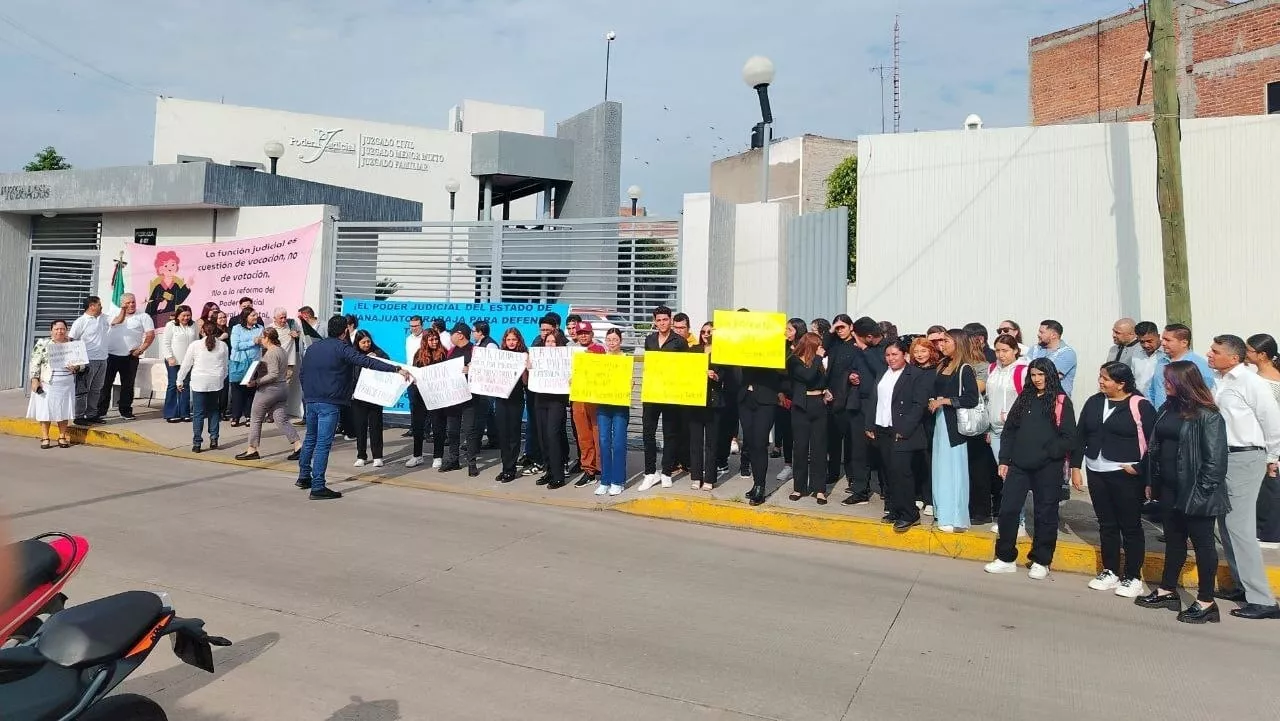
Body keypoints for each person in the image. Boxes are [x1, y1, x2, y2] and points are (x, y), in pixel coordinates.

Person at [1134, 361, 1230, 623]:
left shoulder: (1208, 415)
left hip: (1197, 492)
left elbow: (1216, 462)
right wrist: (1151, 480)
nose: (1164, 385)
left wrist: (1201, 493)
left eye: (1169, 381)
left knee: (1203, 546)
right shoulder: (1167, 409)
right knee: (1174, 541)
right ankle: (1167, 589)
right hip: (1169, 488)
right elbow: (1156, 447)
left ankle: (1206, 601)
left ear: (1184, 383)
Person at [296, 315, 412, 500]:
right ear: (345, 331)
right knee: (323, 444)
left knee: (310, 438)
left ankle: (303, 476)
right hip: (330, 402)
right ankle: (317, 486)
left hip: (312, 400)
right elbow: (366, 361)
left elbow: (302, 374)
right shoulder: (341, 348)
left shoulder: (313, 348)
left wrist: (309, 393)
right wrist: (395, 369)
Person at [1205, 334, 1280, 619]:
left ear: (1234, 358)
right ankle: (1242, 586)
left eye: (1215, 351)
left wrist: (1272, 457)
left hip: (1246, 456)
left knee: (1240, 527)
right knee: (1224, 523)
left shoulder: (1252, 383)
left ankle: (1263, 600)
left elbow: (1272, 421)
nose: (1210, 354)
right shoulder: (1220, 381)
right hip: (1224, 455)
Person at [984, 358, 1078, 580]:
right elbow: (1009, 431)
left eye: (1041, 375)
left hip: (1048, 467)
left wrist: (1049, 452)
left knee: (1045, 514)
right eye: (1033, 375)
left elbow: (1069, 437)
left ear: (1050, 375)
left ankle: (1041, 560)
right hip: (1018, 465)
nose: (1037, 379)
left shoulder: (1061, 401)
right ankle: (1005, 557)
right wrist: (1005, 460)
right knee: (1007, 511)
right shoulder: (1024, 399)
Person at [1077, 361, 1157, 598]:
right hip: (1096, 469)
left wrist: (1140, 469)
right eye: (1100, 377)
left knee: (1130, 525)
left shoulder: (1140, 405)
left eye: (1106, 378)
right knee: (1106, 523)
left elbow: (1154, 443)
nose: (1101, 381)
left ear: (1121, 383)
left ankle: (1133, 576)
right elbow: (1081, 432)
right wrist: (1075, 466)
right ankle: (1110, 570)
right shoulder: (1094, 401)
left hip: (1124, 473)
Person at [865, 339, 933, 532]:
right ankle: (896, 508)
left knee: (902, 473)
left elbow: (918, 405)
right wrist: (869, 423)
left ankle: (910, 514)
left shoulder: (915, 375)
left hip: (903, 431)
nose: (891, 358)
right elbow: (874, 399)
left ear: (905, 355)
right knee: (889, 472)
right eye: (887, 355)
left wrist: (904, 430)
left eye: (895, 354)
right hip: (883, 429)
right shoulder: (883, 373)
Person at [929, 329, 981, 532]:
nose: (942, 344)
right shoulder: (943, 364)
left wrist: (945, 401)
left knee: (954, 471)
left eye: (946, 340)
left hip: (953, 426)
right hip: (940, 422)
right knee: (941, 469)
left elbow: (971, 398)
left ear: (957, 343)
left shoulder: (965, 368)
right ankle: (943, 513)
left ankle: (955, 517)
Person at [638, 305, 689, 491]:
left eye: (665, 320)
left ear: (670, 320)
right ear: (655, 321)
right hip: (652, 392)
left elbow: (686, 368)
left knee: (670, 433)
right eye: (658, 320)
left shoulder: (680, 342)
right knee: (648, 433)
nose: (662, 323)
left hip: (670, 393)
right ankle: (650, 473)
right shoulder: (649, 339)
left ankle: (666, 471)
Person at [985, 334, 1030, 534]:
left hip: (1013, 432)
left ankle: (1018, 521)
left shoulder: (1022, 371)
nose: (1001, 355)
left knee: (1012, 477)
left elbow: (1028, 400)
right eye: (998, 350)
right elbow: (989, 399)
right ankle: (1010, 518)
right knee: (1004, 476)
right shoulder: (992, 368)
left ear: (1015, 351)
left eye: (1005, 350)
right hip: (994, 430)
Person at [236, 327, 302, 462]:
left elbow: (273, 374)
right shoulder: (282, 351)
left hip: (269, 390)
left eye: (262, 337)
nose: (261, 340)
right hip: (282, 388)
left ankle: (252, 449)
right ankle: (298, 445)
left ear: (267, 338)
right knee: (281, 419)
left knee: (255, 418)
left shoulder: (271, 353)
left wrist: (256, 381)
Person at [828, 315, 872, 505]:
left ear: (851, 327)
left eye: (842, 327)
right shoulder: (835, 345)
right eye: (837, 328)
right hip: (833, 396)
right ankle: (833, 472)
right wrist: (831, 330)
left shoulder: (857, 345)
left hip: (850, 398)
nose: (840, 331)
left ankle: (854, 476)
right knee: (834, 437)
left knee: (853, 442)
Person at [1245, 333, 1280, 549]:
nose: (1245, 354)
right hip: (1256, 440)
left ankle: (1268, 532)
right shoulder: (1253, 378)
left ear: (1262, 355)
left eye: (1249, 350)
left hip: (1268, 442)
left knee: (1270, 488)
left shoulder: (1270, 383)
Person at [786, 331, 830, 503]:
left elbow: (823, 380)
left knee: (819, 448)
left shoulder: (820, 363)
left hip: (818, 405)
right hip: (801, 407)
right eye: (817, 345)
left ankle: (819, 489)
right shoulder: (794, 361)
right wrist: (818, 358)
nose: (821, 348)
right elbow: (807, 376)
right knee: (801, 448)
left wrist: (827, 391)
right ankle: (799, 487)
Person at [98, 293, 156, 421]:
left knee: (127, 385)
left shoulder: (143, 316)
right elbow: (114, 322)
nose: (131, 305)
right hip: (110, 355)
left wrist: (141, 349)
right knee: (105, 384)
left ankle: (125, 410)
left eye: (133, 302)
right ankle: (101, 411)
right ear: (121, 304)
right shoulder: (113, 313)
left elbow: (150, 335)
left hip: (130, 356)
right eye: (128, 303)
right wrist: (122, 311)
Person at [688, 322, 729, 492]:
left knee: (711, 442)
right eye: (703, 331)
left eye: (709, 331)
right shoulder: (694, 350)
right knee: (695, 441)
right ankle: (696, 476)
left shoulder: (721, 353)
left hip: (713, 401)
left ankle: (710, 478)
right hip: (696, 401)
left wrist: (715, 376)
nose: (706, 334)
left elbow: (724, 376)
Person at [176, 320, 229, 454]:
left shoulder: (195, 345)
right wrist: (221, 379)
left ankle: (197, 443)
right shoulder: (223, 346)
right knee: (214, 410)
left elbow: (186, 364)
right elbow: (225, 366)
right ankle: (214, 438)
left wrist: (179, 380)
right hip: (215, 382)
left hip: (199, 382)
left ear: (202, 331)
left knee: (198, 413)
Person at [27, 319, 81, 448]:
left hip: (66, 383)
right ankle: (45, 437)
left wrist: (76, 368)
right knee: (45, 411)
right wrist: (34, 379)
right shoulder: (43, 343)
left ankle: (62, 436)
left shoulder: (73, 344)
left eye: (62, 329)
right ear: (51, 330)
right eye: (57, 329)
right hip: (47, 383)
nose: (60, 331)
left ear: (66, 330)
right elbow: (34, 362)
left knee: (63, 410)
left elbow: (82, 364)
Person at [592, 328, 631, 496]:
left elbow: (630, 381)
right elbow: (592, 379)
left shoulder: (625, 359)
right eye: (609, 339)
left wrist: (630, 385)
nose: (612, 342)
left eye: (615, 339)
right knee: (603, 441)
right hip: (603, 404)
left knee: (619, 443)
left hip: (620, 405)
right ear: (605, 341)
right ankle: (605, 480)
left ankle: (618, 481)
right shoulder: (600, 360)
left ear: (620, 341)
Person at [533, 328, 572, 489]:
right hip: (541, 398)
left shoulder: (566, 357)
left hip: (557, 400)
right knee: (542, 435)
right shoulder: (538, 356)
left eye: (553, 341)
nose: (550, 344)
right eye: (548, 341)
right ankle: (548, 470)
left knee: (553, 434)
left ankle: (558, 475)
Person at [442, 323, 482, 477]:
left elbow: (483, 373)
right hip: (453, 396)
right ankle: (454, 460)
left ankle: (472, 463)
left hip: (470, 397)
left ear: (459, 334)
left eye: (452, 333)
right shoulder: (451, 351)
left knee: (470, 430)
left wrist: (471, 370)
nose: (450, 337)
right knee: (452, 430)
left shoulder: (475, 351)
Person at [407, 327, 449, 470]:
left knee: (438, 427)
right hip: (419, 395)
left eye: (436, 339)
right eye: (431, 339)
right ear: (425, 341)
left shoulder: (443, 353)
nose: (434, 342)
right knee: (417, 426)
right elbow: (414, 371)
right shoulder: (419, 354)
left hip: (436, 395)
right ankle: (417, 455)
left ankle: (438, 456)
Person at [773, 319, 809, 483]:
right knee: (786, 432)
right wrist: (780, 392)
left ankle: (802, 468)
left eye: (789, 329)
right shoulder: (783, 348)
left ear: (798, 331)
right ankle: (788, 465)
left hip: (803, 396)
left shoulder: (806, 349)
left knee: (800, 435)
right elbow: (777, 373)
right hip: (785, 396)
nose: (785, 332)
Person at [1148, 323, 1214, 409]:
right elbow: (1153, 389)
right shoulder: (1161, 362)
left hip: (1186, 417)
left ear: (1184, 343)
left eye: (1168, 340)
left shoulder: (1198, 364)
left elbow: (1205, 395)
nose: (1163, 343)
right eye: (1163, 339)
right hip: (1161, 416)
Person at [494, 328, 530, 483]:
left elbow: (526, 382)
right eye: (508, 340)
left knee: (513, 435)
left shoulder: (523, 355)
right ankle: (505, 467)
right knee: (503, 434)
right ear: (504, 341)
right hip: (501, 398)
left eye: (514, 340)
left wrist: (525, 368)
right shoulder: (499, 355)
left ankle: (511, 469)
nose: (511, 342)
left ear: (519, 340)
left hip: (516, 399)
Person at [571, 322, 605, 487]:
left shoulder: (599, 349)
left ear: (591, 334)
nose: (583, 335)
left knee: (598, 434)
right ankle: (588, 470)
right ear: (576, 335)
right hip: (578, 397)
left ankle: (602, 467)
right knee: (583, 436)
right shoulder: (570, 351)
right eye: (580, 333)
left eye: (586, 333)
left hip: (594, 398)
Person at [349, 330, 389, 469]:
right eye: (363, 342)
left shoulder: (377, 352)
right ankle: (361, 455)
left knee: (376, 426)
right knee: (360, 427)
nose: (366, 344)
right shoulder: (353, 354)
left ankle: (377, 456)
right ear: (358, 343)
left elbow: (387, 361)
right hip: (358, 397)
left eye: (368, 341)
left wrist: (377, 356)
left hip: (374, 397)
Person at [69, 296, 110, 426]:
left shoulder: (103, 318)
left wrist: (124, 309)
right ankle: (79, 416)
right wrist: (75, 360)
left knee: (96, 389)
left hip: (102, 359)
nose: (101, 306)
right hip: (87, 361)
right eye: (99, 304)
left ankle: (92, 414)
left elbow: (118, 320)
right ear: (91, 306)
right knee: (82, 390)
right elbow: (71, 340)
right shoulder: (81, 321)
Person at [161, 305, 198, 423]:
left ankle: (185, 413)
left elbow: (196, 341)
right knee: (173, 385)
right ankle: (171, 413)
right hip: (174, 361)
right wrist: (169, 357)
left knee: (185, 386)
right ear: (178, 316)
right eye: (184, 316)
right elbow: (165, 342)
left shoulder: (194, 325)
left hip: (188, 361)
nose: (186, 318)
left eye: (188, 315)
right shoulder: (171, 325)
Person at [228, 308, 264, 427]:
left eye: (256, 315)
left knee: (250, 390)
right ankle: (236, 416)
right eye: (253, 315)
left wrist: (258, 342)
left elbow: (262, 343)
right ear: (246, 317)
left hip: (253, 363)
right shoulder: (237, 328)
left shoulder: (260, 328)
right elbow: (236, 345)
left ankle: (249, 416)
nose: (255, 317)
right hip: (238, 362)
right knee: (237, 390)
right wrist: (252, 342)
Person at [1027, 320, 1077, 395]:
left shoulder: (1067, 353)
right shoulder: (1034, 349)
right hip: (1034, 398)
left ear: (1053, 335)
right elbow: (1025, 372)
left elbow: (1049, 376)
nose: (1038, 335)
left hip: (1056, 401)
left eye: (1042, 332)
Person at [1131, 321, 1162, 408]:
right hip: (1139, 404)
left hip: (1161, 405)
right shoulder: (1136, 352)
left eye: (1149, 341)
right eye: (1142, 342)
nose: (1146, 345)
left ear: (1158, 336)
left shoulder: (1167, 354)